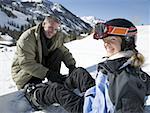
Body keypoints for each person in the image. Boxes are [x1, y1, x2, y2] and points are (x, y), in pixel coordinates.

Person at [83, 18, 150, 113]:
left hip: (93, 108)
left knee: (56, 89)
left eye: (112, 39)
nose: (106, 44)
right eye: (105, 40)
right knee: (79, 73)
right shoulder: (120, 66)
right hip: (96, 101)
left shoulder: (125, 79)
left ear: (127, 41)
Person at [11, 15, 77, 89]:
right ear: (43, 24)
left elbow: (64, 52)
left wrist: (71, 66)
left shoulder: (55, 37)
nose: (52, 32)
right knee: (38, 88)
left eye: (55, 29)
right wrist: (48, 73)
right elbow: (26, 63)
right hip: (24, 73)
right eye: (50, 27)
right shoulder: (28, 38)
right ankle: (36, 84)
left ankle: (55, 82)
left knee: (58, 52)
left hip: (41, 66)